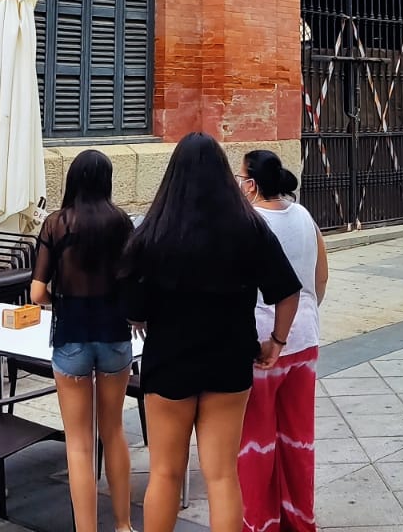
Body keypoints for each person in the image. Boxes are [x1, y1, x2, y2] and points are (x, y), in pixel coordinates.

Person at [120, 133, 301, 532]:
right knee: (222, 476)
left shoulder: (152, 233)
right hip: (229, 358)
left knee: (164, 474)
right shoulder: (249, 228)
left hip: (169, 361)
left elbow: (132, 311)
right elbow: (288, 291)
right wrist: (277, 342)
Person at [30, 151, 136, 532]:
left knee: (78, 442)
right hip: (115, 336)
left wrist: (61, 296)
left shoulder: (56, 225)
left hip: (71, 335)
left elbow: (37, 292)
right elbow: (131, 279)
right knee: (114, 431)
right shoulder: (121, 222)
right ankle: (123, 525)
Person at [236, 150, 327, 532]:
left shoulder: (247, 223)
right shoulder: (305, 216)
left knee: (256, 440)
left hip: (261, 342)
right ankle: (299, 518)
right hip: (304, 340)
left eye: (241, 178)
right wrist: (306, 318)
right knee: (297, 435)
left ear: (252, 185)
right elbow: (319, 276)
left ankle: (260, 521)